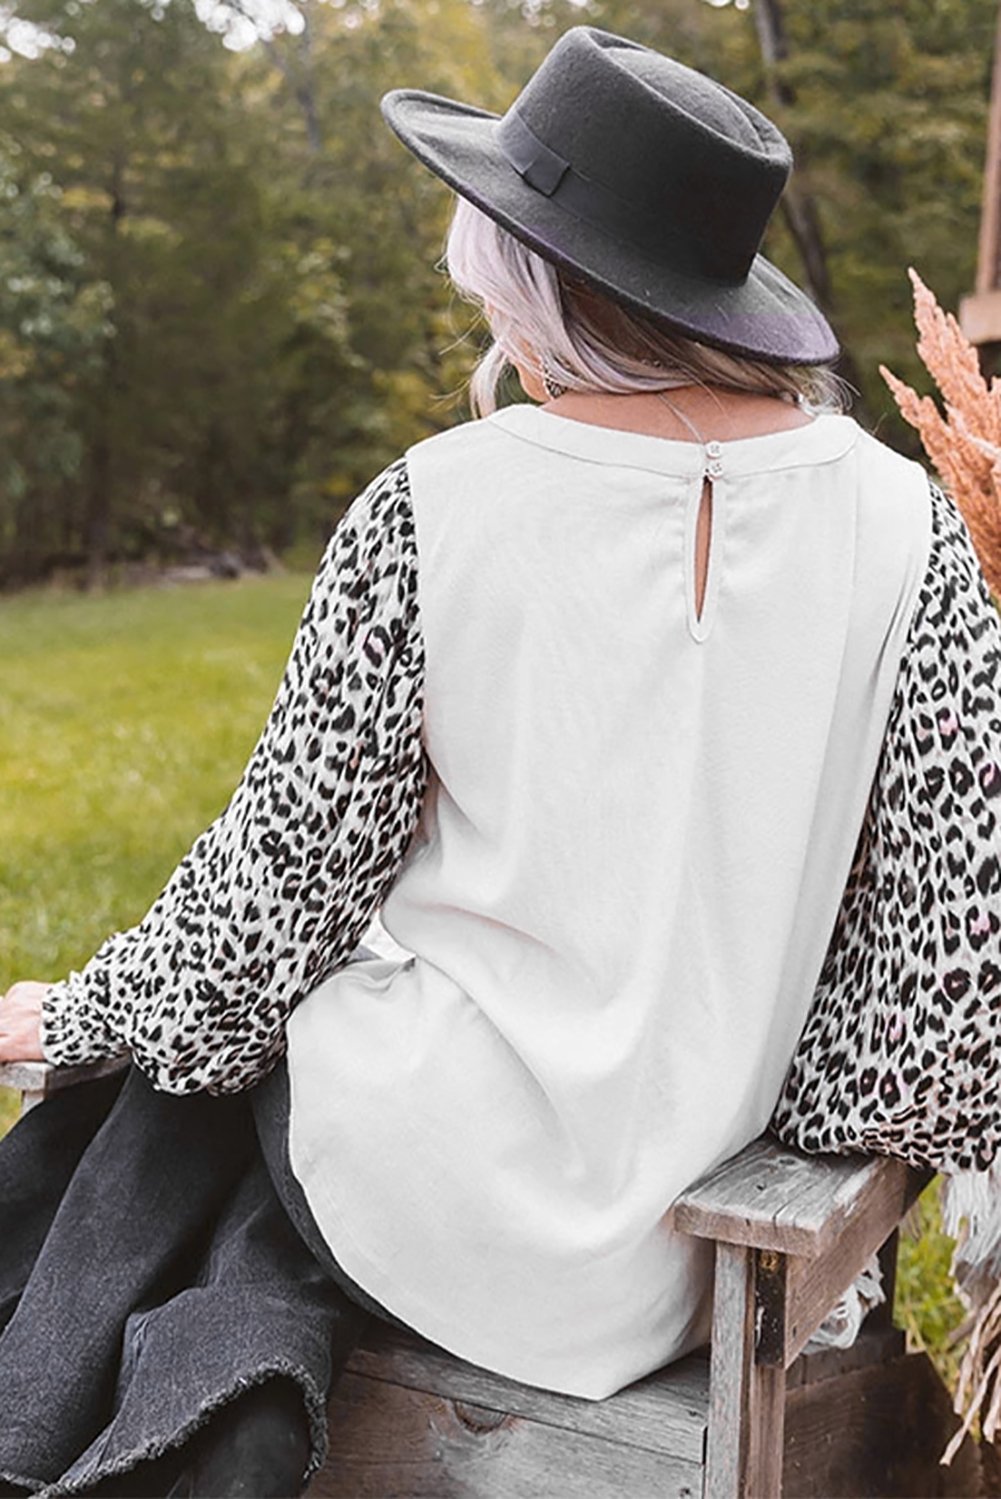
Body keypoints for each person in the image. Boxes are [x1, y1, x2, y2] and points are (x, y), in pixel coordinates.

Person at [2, 23, 998, 1496]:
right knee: (197, 1089)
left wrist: (62, 1015)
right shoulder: (910, 534)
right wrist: (740, 1109)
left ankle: (174, 1420)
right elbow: (939, 990)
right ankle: (204, 1396)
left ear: (533, 274)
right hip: (696, 1249)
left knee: (154, 1089)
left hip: (442, 1186)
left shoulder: (431, 508)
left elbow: (265, 918)